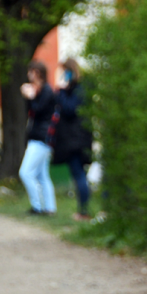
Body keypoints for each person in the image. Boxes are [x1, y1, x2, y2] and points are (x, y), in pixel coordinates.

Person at [52, 58, 94, 221]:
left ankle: (84, 211)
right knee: (78, 174)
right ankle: (82, 209)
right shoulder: (75, 89)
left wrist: (61, 91)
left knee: (79, 174)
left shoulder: (79, 89)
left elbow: (70, 109)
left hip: (76, 140)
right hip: (74, 139)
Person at [19, 61, 57, 215]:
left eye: (31, 72)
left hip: (41, 137)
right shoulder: (42, 91)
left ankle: (38, 206)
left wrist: (30, 97)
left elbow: (37, 110)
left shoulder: (46, 91)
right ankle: (49, 207)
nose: (29, 75)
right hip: (40, 136)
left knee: (25, 172)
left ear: (38, 73)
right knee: (42, 175)